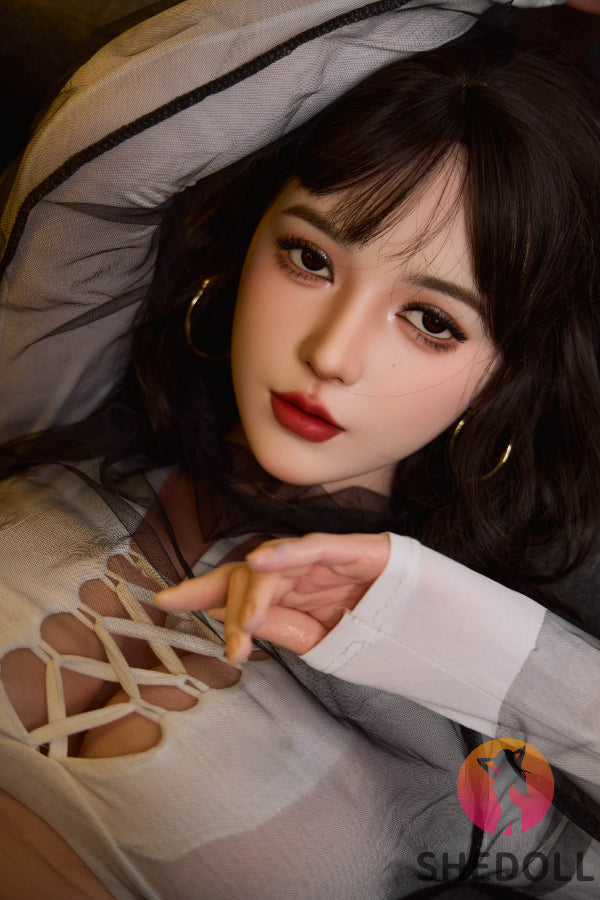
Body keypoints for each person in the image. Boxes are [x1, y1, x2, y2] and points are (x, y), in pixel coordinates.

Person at [1, 6, 600, 900]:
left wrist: (433, 620)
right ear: (248, 244)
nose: (332, 353)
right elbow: (118, 139)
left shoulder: (464, 751)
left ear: (502, 381)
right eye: (311, 259)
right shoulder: (47, 429)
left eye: (431, 320)